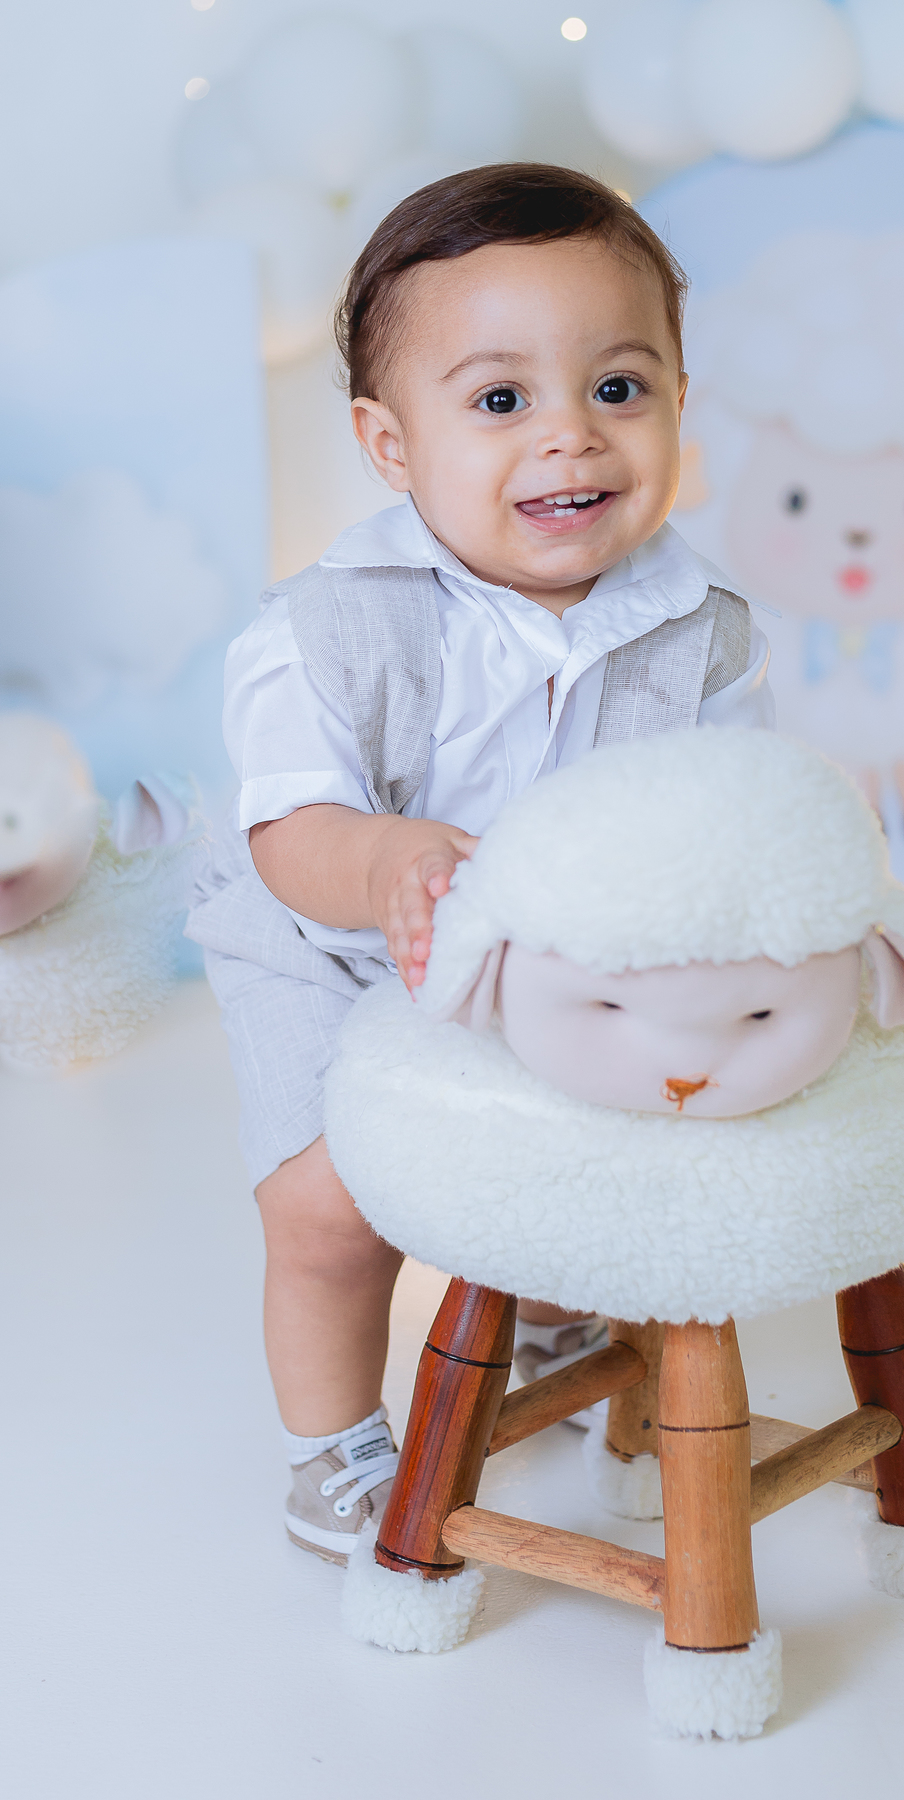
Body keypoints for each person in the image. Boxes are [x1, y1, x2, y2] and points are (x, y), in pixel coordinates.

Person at [187, 163, 775, 1564]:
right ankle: (333, 1445)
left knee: (582, 1150)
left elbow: (729, 816)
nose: (571, 436)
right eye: (501, 400)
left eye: (618, 388)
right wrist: (385, 861)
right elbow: (289, 837)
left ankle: (559, 1304)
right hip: (330, 947)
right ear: (391, 445)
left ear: (681, 401)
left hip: (560, 957)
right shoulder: (324, 631)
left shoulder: (705, 628)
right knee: (334, 1209)